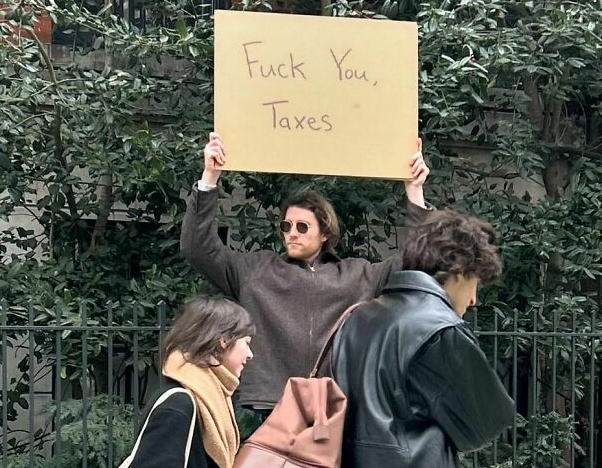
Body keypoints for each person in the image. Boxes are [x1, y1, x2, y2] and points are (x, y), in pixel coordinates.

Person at [180, 131, 430, 413]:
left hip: (337, 408)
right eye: (286, 227)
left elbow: (415, 260)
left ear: (324, 233)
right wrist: (209, 178)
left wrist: (414, 191)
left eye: (302, 227)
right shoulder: (256, 271)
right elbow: (198, 249)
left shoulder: (357, 275)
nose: (292, 234)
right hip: (271, 406)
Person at [331, 208, 515, 468]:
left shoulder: (357, 318)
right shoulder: (439, 330)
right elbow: (483, 424)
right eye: (475, 281)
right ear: (459, 269)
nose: (474, 299)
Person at [123, 296, 254, 468]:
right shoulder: (179, 403)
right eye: (246, 343)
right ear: (224, 341)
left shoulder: (209, 396)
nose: (250, 354)